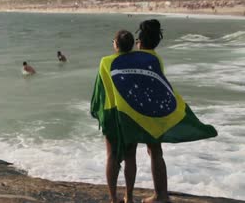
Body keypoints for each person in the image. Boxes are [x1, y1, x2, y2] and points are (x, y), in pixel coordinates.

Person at [92, 20, 217, 203]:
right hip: (152, 114)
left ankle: (120, 198)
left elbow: (103, 91)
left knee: (121, 155)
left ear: (137, 42)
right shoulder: (153, 58)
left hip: (127, 115)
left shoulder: (111, 61)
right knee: (155, 151)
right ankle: (161, 195)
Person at [92, 30, 137, 203]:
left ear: (116, 45)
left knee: (111, 155)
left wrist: (96, 110)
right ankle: (130, 197)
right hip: (132, 113)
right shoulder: (138, 62)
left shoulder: (105, 61)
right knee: (131, 156)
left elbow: (99, 89)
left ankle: (113, 198)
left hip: (112, 113)